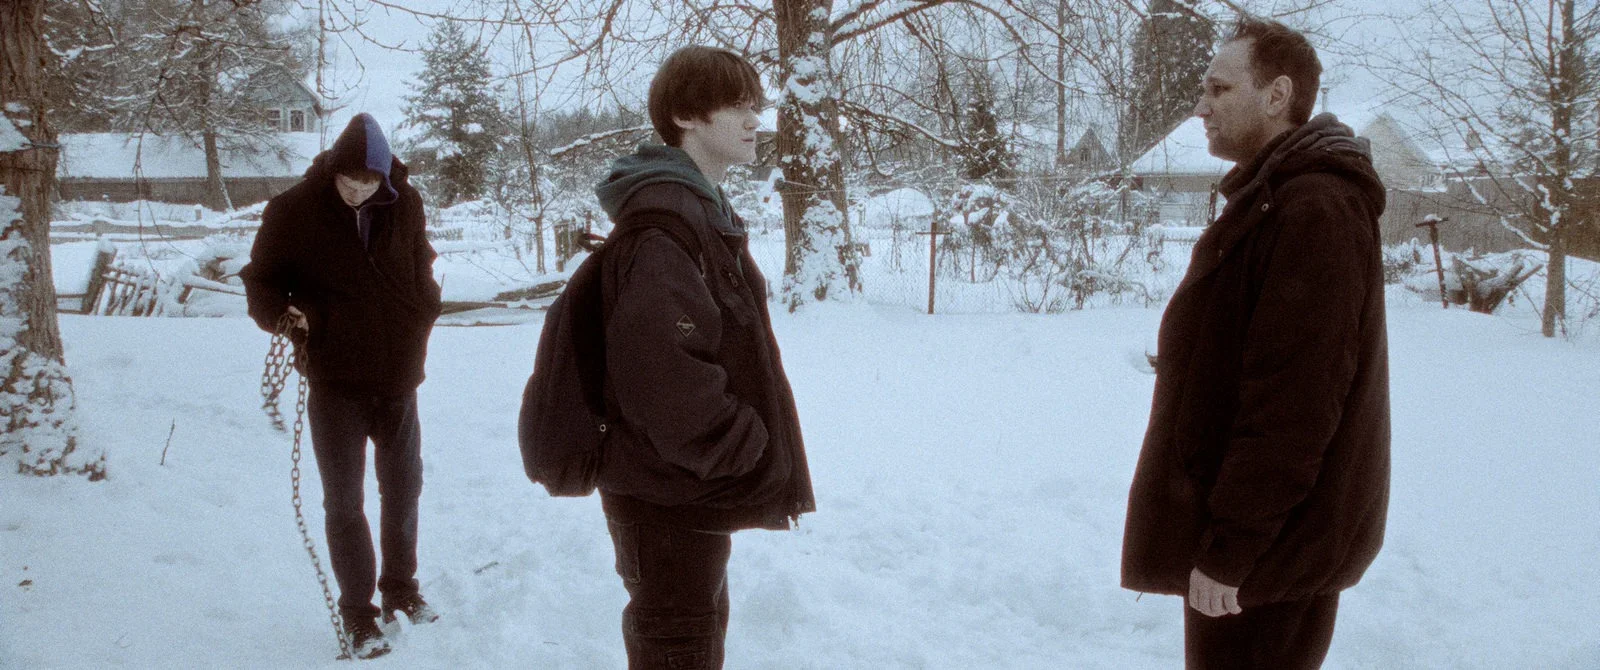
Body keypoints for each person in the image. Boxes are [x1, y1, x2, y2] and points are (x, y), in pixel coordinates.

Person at [1120, 17, 1391, 670]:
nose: (1201, 106)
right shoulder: (1275, 198)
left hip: (1267, 553)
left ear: (1277, 95)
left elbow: (1296, 403)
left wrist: (1233, 549)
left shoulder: (1313, 209)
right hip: (1257, 544)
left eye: (1219, 89)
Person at [590, 45, 815, 669]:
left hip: (683, 491)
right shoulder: (664, 226)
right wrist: (741, 443)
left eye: (756, 105)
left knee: (693, 641)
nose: (754, 120)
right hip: (666, 497)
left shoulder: (695, 210)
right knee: (679, 647)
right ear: (686, 115)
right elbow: (661, 375)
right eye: (737, 106)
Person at [241, 112, 443, 659]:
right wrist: (285, 317)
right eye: (348, 180)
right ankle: (358, 615)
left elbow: (421, 264)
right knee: (344, 500)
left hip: (398, 374)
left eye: (368, 182)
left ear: (385, 177)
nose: (357, 191)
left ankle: (401, 589)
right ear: (333, 169)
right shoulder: (293, 210)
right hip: (334, 378)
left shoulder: (407, 203)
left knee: (403, 487)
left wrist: (424, 309)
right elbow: (261, 283)